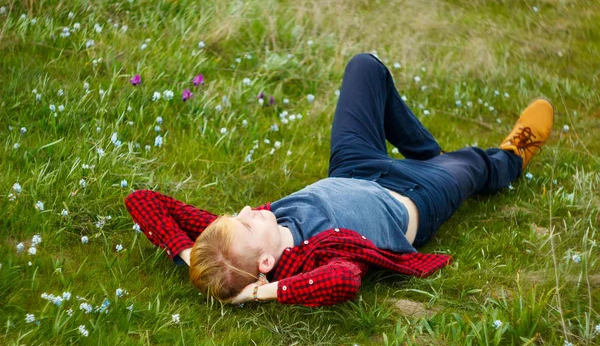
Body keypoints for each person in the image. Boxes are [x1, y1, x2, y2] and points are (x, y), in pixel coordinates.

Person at [124, 53, 554, 308]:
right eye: (250, 222)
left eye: (238, 217)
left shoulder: (230, 248)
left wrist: (187, 255)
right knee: (474, 166)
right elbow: (344, 281)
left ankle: (427, 152)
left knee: (366, 67)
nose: (247, 211)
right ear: (267, 265)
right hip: (418, 197)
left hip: (354, 166)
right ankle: (512, 156)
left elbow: (144, 200)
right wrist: (258, 294)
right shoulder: (310, 262)